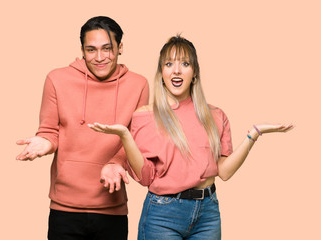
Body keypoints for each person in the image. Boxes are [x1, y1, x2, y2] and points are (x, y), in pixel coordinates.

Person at [89, 35, 294, 240]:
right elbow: (145, 178)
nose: (176, 70)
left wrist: (254, 134)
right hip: (163, 215)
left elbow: (224, 171)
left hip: (208, 214)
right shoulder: (145, 116)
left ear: (194, 73)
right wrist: (125, 135)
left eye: (185, 64)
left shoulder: (215, 116)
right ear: (162, 73)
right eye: (169, 64)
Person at [16, 16, 149, 240]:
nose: (99, 58)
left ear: (120, 47)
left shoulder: (138, 84)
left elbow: (135, 141)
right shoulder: (57, 79)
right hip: (64, 208)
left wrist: (116, 162)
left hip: (112, 207)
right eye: (91, 50)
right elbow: (49, 130)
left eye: (107, 49)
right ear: (82, 50)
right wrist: (45, 142)